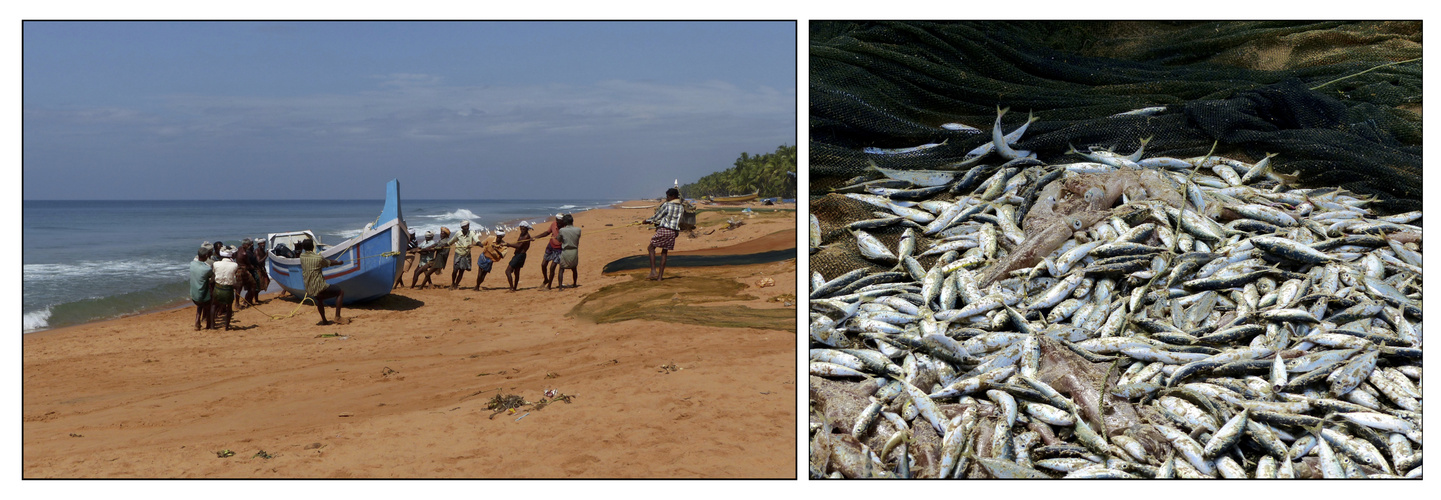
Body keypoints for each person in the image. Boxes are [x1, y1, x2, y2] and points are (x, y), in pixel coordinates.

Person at [298, 239, 345, 325]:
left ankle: (324, 320)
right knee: (340, 292)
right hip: (320, 287)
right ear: (313, 247)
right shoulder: (318, 258)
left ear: (303, 248)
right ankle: (337, 317)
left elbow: (325, 261)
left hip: (310, 288)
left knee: (320, 299)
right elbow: (328, 263)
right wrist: (338, 263)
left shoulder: (302, 257)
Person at [645, 187, 685, 281]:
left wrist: (646, 221)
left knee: (651, 248)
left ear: (673, 196)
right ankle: (659, 277)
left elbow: (657, 216)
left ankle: (653, 271)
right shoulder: (681, 207)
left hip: (664, 229)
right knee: (664, 252)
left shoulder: (667, 205)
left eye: (668, 196)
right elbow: (680, 220)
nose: (666, 198)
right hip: (673, 232)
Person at [528, 214, 564, 289]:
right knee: (543, 264)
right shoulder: (554, 224)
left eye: (559, 221)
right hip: (551, 246)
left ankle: (549, 286)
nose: (557, 222)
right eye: (557, 220)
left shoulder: (565, 228)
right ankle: (546, 279)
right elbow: (547, 233)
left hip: (559, 249)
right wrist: (536, 237)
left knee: (552, 267)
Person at [446, 221, 480, 290]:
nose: (467, 228)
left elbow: (476, 240)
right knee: (455, 270)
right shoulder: (458, 233)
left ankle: (456, 285)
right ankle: (452, 283)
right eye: (465, 226)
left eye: (468, 226)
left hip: (466, 255)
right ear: (462, 227)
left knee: (461, 271)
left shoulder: (471, 233)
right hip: (458, 254)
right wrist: (444, 245)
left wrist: (477, 243)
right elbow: (452, 241)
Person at [212, 246, 239, 330]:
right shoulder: (235, 265)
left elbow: (214, 275)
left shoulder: (215, 264)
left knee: (213, 305)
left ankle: (212, 325)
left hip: (218, 288)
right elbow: (234, 277)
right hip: (228, 289)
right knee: (229, 307)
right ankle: (227, 327)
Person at [189, 246, 215, 331]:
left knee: (200, 305)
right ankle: (208, 325)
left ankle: (197, 321)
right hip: (203, 297)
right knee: (209, 306)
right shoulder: (207, 268)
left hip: (194, 295)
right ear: (205, 256)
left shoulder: (192, 264)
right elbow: (212, 278)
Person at [502, 221, 534, 291]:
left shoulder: (526, 236)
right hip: (518, 255)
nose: (522, 230)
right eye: (521, 229)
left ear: (526, 229)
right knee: (516, 272)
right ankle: (514, 288)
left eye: (523, 229)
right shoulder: (522, 235)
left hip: (520, 255)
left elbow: (519, 246)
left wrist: (509, 244)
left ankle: (512, 288)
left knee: (508, 271)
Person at [556, 214, 581, 289]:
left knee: (561, 269)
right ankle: (574, 284)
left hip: (566, 251)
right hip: (574, 251)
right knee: (574, 268)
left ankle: (560, 286)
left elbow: (559, 239)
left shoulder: (562, 230)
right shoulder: (578, 230)